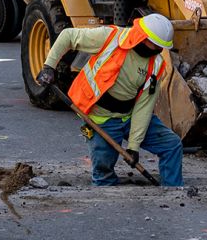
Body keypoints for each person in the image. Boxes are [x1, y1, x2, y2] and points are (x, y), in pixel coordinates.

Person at [35, 13, 184, 187]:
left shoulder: (156, 64)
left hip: (129, 115)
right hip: (101, 119)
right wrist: (49, 66)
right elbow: (68, 36)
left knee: (171, 145)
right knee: (104, 170)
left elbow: (144, 107)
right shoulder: (110, 38)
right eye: (156, 45)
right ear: (142, 37)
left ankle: (173, 192)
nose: (159, 50)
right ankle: (106, 203)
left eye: (161, 47)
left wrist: (134, 147)